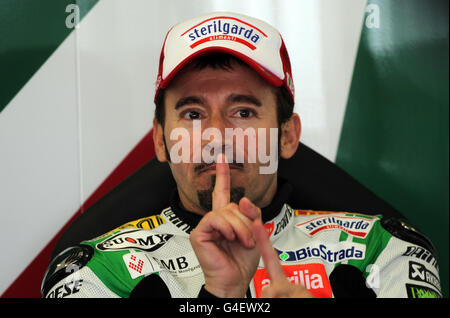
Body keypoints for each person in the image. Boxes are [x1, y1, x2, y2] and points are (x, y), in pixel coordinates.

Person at [41, 12, 441, 298]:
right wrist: (220, 298)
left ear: (287, 136)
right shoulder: (95, 272)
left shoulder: (382, 250)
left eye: (243, 112)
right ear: (160, 141)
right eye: (193, 114)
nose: (216, 135)